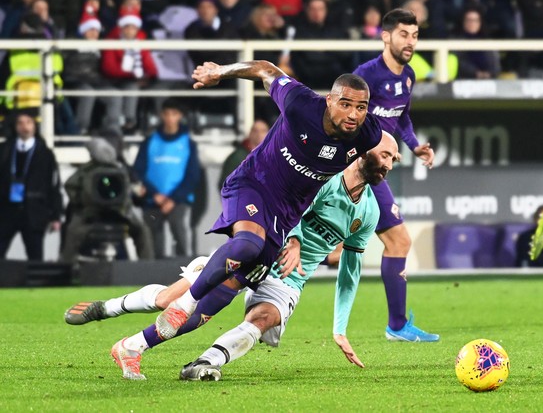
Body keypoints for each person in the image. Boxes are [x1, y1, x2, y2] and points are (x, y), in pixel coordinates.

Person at [64, 132, 399, 380]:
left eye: (393, 160)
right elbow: (286, 205)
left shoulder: (368, 211)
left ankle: (201, 363)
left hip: (289, 278)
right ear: (365, 150)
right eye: (384, 154)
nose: (387, 164)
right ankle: (111, 313)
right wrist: (294, 240)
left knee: (264, 317)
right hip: (261, 250)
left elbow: (350, 272)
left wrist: (339, 329)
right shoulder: (324, 178)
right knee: (176, 304)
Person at [153, 59, 383, 342]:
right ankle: (184, 302)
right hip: (256, 183)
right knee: (249, 244)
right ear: (329, 101)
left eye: (361, 107)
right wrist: (219, 72)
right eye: (345, 104)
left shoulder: (368, 134)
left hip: (284, 214)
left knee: (232, 287)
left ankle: (135, 344)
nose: (353, 114)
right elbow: (265, 69)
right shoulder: (301, 103)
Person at [352, 8, 438, 342]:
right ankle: (397, 326)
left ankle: (398, 325)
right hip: (357, 169)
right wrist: (374, 146)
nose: (410, 42)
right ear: (385, 36)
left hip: (375, 172)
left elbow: (402, 117)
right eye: (404, 34)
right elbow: (347, 121)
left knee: (395, 241)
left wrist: (414, 146)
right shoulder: (366, 76)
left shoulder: (408, 76)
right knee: (396, 241)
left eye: (415, 35)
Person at [60, 135, 154, 263]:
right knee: (72, 232)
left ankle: (147, 267)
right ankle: (67, 268)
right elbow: (70, 186)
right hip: (92, 214)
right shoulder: (88, 170)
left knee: (143, 230)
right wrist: (82, 200)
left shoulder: (121, 169)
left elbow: (132, 190)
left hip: (119, 213)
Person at [133, 98, 201, 259]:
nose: (170, 118)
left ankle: (185, 276)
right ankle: (153, 277)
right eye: (167, 114)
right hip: (152, 199)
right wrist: (154, 194)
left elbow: (192, 176)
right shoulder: (149, 142)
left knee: (179, 231)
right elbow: (138, 171)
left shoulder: (188, 144)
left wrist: (173, 199)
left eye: (174, 114)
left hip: (178, 200)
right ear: (162, 116)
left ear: (180, 116)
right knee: (152, 239)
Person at [0, 111, 62, 260]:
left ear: (35, 126)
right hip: (7, 210)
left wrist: (56, 215)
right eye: (20, 123)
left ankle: (35, 283)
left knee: (35, 254)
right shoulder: (5, 150)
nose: (24, 127)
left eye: (28, 122)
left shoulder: (45, 153)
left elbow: (53, 185)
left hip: (34, 211)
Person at [62, 1, 122, 135]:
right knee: (88, 93)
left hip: (96, 80)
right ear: (83, 30)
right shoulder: (71, 43)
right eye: (91, 29)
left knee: (115, 94)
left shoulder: (102, 46)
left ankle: (113, 129)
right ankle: (81, 128)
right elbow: (64, 63)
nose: (95, 33)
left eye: (96, 30)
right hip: (75, 80)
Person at [101, 5, 158, 134]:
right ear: (121, 27)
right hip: (112, 82)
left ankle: (130, 122)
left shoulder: (141, 44)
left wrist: (147, 77)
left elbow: (151, 68)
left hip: (133, 81)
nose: (129, 30)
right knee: (122, 92)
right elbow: (109, 68)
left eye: (133, 27)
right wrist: (133, 76)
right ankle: (115, 127)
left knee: (132, 87)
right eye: (127, 26)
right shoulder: (111, 42)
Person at [217, 119, 269, 190]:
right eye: (255, 131)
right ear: (250, 134)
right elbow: (225, 185)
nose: (259, 134)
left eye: (263, 131)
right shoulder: (238, 157)